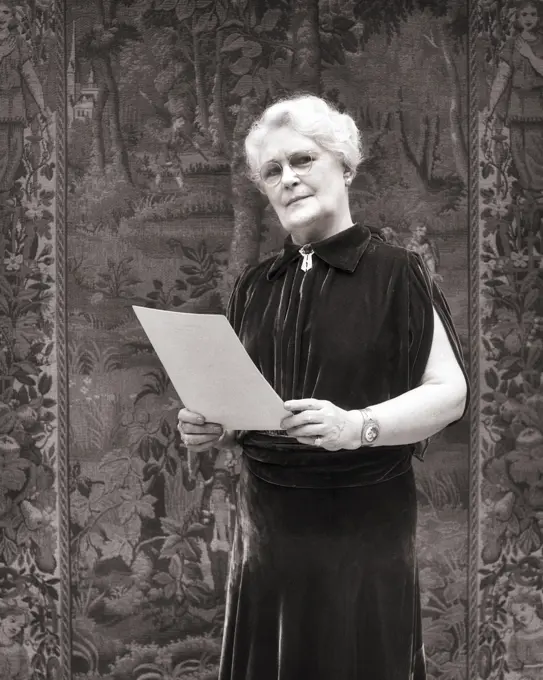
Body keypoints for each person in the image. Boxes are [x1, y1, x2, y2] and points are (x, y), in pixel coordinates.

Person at [177, 94, 469, 680]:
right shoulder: (253, 286)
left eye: (302, 160)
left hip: (364, 528)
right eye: (272, 171)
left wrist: (356, 426)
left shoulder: (398, 271)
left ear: (345, 165)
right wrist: (212, 423)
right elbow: (245, 402)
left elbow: (450, 393)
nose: (288, 179)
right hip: (268, 531)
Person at [486, 0, 543, 202]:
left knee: (535, 154)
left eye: (533, 14)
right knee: (518, 153)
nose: (528, 18)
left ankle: (538, 196)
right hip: (516, 106)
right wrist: (491, 107)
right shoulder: (511, 44)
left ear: (538, 18)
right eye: (524, 14)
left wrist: (529, 54)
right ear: (518, 18)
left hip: (538, 106)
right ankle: (529, 198)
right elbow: (502, 76)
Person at [0, 0, 50, 207]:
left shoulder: (18, 42)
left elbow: (29, 76)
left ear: (11, 16)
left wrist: (41, 103)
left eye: (4, 12)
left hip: (16, 103)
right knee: (1, 150)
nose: (1, 17)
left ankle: (3, 193)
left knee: (16, 150)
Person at [507, 590, 543, 679]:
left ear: (534, 606)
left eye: (523, 609)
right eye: (516, 614)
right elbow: (514, 666)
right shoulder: (516, 638)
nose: (520, 615)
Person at [0, 602, 30, 679]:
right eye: (12, 621)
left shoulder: (20, 650)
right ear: (1, 620)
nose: (15, 628)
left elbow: (24, 676)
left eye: (20, 625)